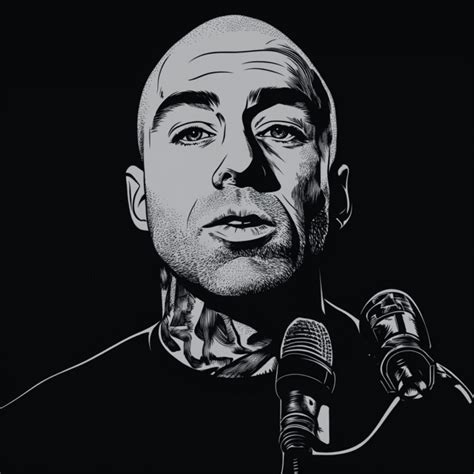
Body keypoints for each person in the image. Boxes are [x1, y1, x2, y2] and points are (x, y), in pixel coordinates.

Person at [1, 15, 471, 474]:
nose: (241, 161)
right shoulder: (35, 437)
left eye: (281, 129)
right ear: (140, 200)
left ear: (338, 196)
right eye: (193, 133)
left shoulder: (429, 417)